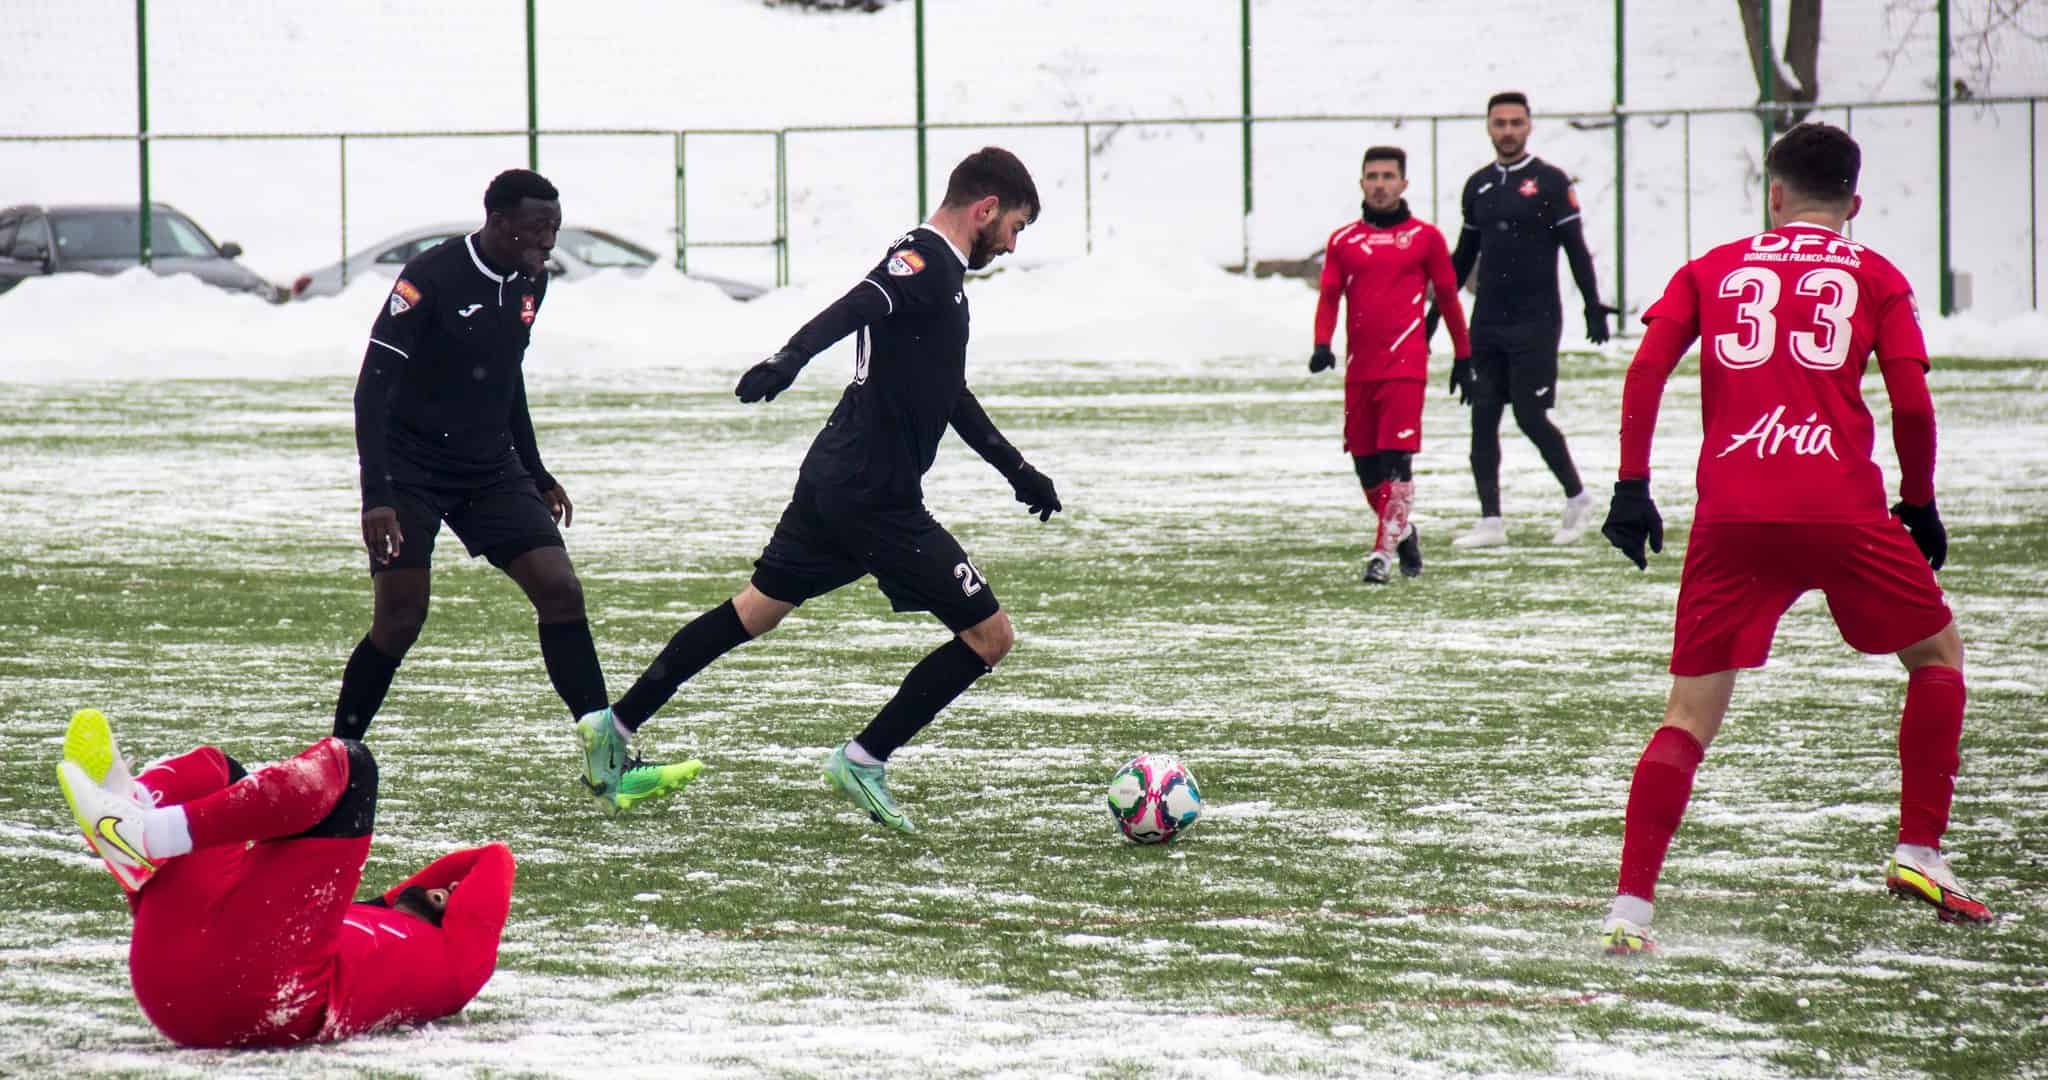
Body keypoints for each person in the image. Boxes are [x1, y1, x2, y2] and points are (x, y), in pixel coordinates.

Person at [572, 147, 1060, 833]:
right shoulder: (921, 261)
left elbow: (948, 394)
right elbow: (860, 301)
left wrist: (1017, 472)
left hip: (839, 478)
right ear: (985, 210)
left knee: (755, 612)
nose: (1011, 243)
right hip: (875, 496)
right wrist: (790, 357)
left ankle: (614, 728)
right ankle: (864, 757)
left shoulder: (942, 278)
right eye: (1016, 225)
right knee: (990, 636)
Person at [1595, 122, 1990, 954]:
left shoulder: (1711, 269)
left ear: (1773, 195)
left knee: (1689, 714)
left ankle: (1630, 911)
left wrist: (1633, 486)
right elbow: (1913, 406)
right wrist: (1919, 503)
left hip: (1732, 516)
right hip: (1843, 511)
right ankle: (1918, 848)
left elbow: (1645, 371)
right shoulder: (1877, 274)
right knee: (1937, 656)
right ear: (1854, 202)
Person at [337, 167, 698, 811]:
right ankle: (338, 761)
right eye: (536, 227)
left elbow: (508, 377)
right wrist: (378, 496)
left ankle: (605, 763)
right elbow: (372, 388)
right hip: (410, 468)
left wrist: (534, 468)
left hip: (487, 468)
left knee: (560, 590)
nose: (547, 240)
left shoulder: (534, 279)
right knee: (399, 620)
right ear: (498, 221)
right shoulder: (431, 278)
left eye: (554, 227)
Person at [52, 708, 516, 1047]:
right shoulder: (378, 923)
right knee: (225, 776)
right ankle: (135, 809)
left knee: (353, 768)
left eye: (452, 897)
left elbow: (493, 860)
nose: (452, 888)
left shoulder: (458, 965)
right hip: (169, 990)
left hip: (263, 996)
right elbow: (440, 882)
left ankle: (148, 835)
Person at [1447, 91, 1618, 549]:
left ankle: (1577, 496)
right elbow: (1462, 258)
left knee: (1528, 414)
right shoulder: (1478, 186)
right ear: (1488, 127)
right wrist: (1432, 318)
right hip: (1487, 320)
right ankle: (1490, 521)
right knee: (1482, 415)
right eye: (1499, 123)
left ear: (1529, 127)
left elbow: (1576, 249)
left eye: (1515, 123)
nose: (1507, 131)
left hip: (1536, 320)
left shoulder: (1550, 182)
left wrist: (1592, 304)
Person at [1311, 145, 1472, 584]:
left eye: (1388, 176)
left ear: (1404, 183)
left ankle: (1381, 554)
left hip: (1406, 365)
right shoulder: (1344, 241)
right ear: (1361, 182)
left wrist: (1464, 355)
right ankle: (1404, 531)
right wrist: (1322, 344)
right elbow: (1329, 296)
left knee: (1396, 459)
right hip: (1360, 369)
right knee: (1366, 466)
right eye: (1372, 176)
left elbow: (1449, 299)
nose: (1380, 184)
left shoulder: (1425, 238)